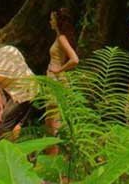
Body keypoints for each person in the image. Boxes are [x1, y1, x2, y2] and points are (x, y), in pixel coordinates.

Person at [45, 8, 79, 154]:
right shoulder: (59, 37)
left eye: (52, 19)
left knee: (54, 120)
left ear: (58, 21)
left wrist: (59, 70)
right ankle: (51, 153)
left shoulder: (61, 38)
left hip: (56, 80)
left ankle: (54, 155)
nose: (50, 22)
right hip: (53, 80)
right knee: (50, 119)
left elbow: (75, 59)